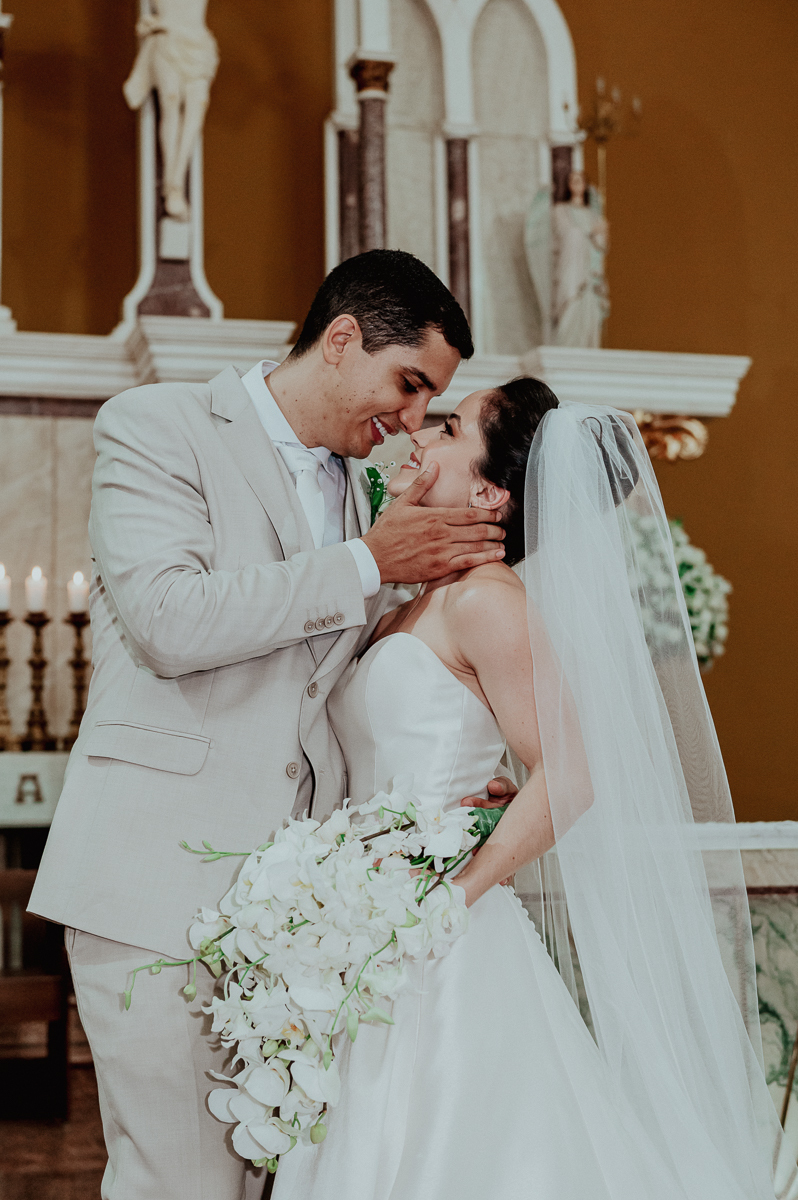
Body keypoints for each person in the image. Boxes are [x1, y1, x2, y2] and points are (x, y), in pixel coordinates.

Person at [28, 250, 512, 1200]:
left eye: (432, 401)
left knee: (269, 1185)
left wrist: (443, 794)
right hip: (156, 890)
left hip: (301, 922)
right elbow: (172, 620)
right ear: (341, 340)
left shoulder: (366, 491)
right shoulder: (157, 425)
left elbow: (349, 683)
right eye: (409, 384)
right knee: (177, 1183)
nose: (412, 421)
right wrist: (369, 566)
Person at [271, 379, 790, 1199]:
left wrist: (453, 896)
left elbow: (575, 774)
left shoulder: (488, 600)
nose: (419, 437)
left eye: (447, 427)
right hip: (364, 929)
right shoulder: (413, 600)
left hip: (445, 940)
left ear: (489, 491)